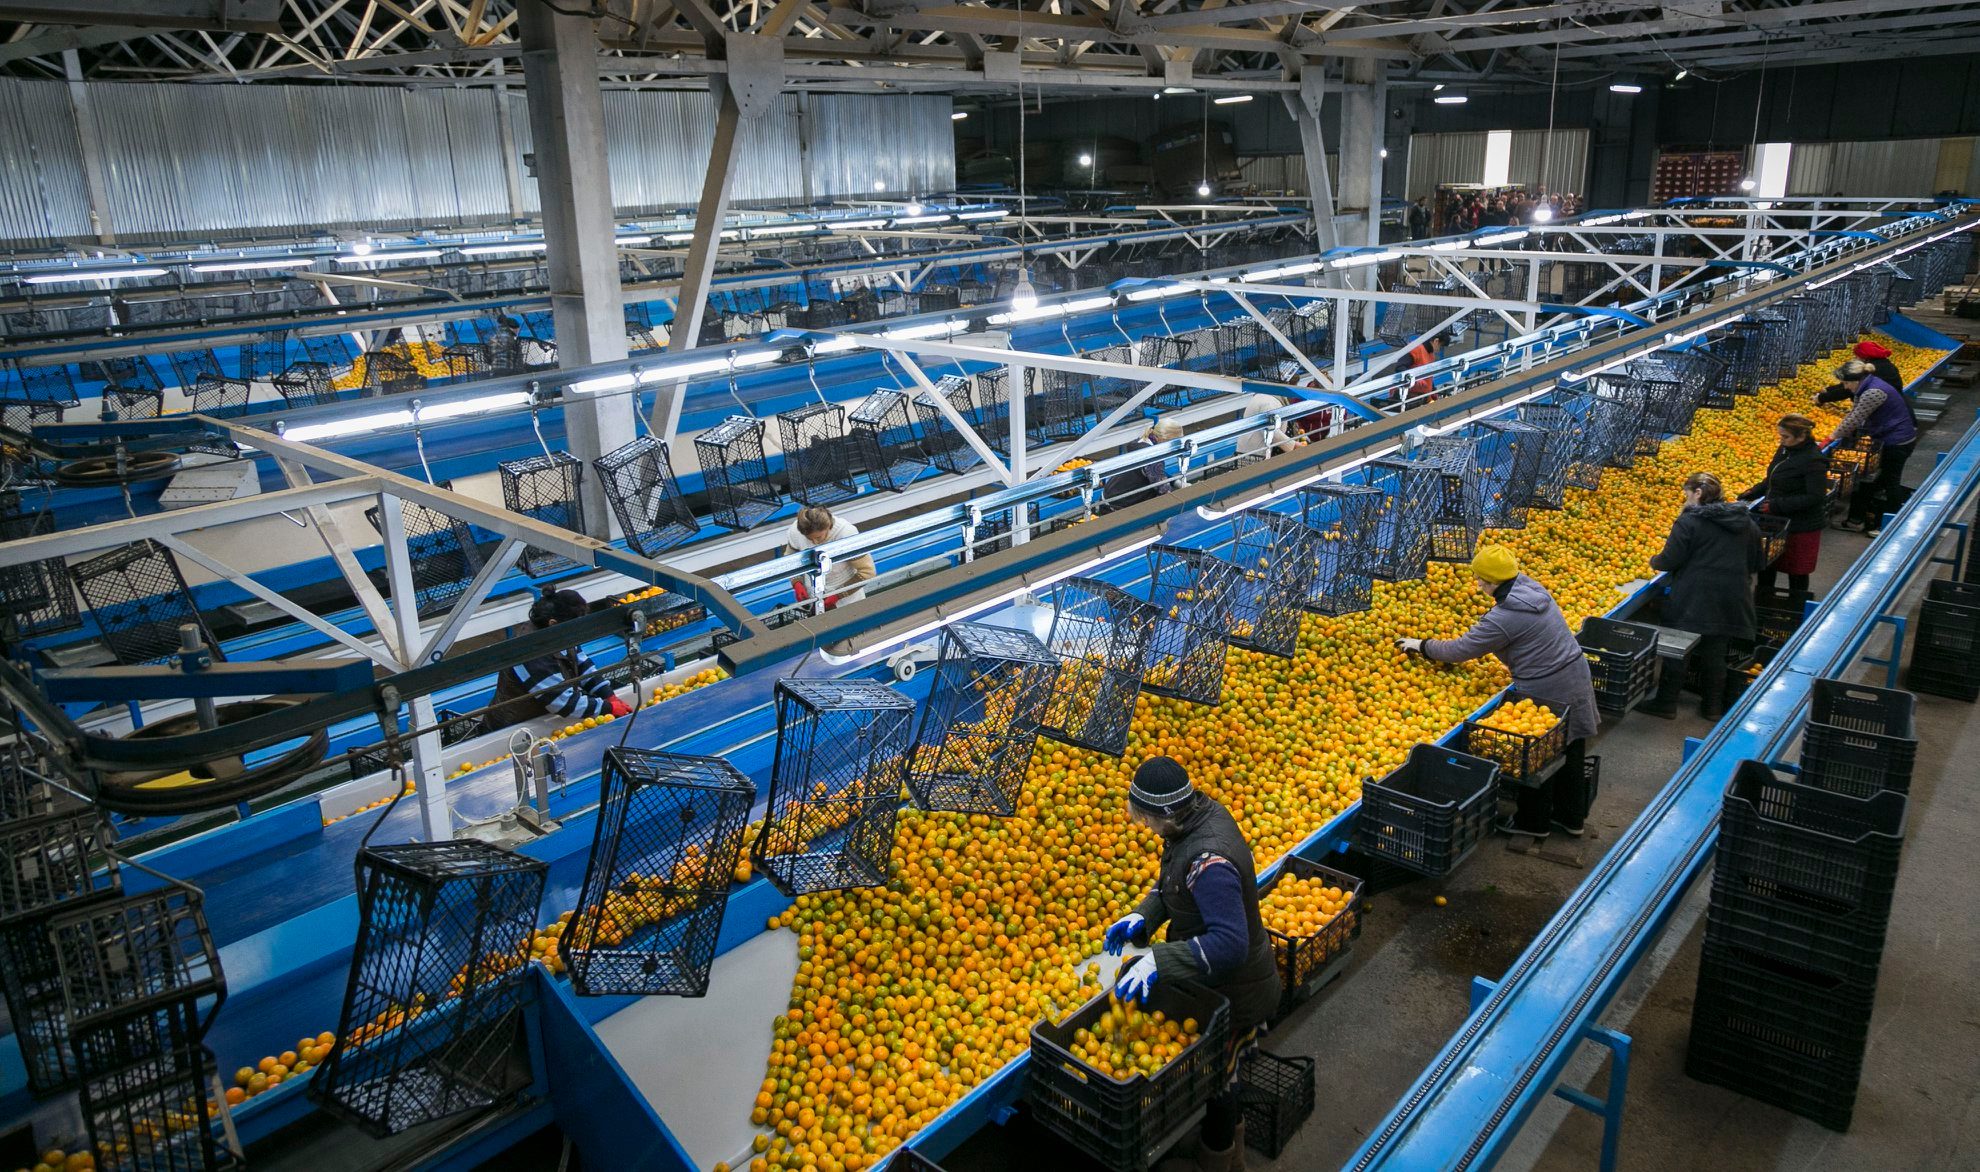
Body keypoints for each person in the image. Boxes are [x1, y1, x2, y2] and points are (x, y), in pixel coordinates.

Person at [1104, 757, 1280, 1171]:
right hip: (1220, 982)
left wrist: (1157, 961)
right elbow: (1176, 883)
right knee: (1224, 1073)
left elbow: (1230, 944)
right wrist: (1143, 916)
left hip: (1235, 989)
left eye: (1146, 820)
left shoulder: (1209, 861)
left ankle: (1217, 1158)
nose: (1146, 828)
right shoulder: (1197, 820)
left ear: (1164, 813)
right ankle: (1227, 1148)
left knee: (1219, 1078)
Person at [1397, 544, 1601, 839]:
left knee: (1538, 757)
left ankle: (1533, 823)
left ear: (1492, 581)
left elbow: (1460, 650)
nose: (1478, 584)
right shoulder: (1531, 588)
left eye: (1481, 579)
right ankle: (1571, 818)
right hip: (1574, 673)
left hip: (1545, 687)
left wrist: (1421, 645)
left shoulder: (1505, 617)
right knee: (1571, 746)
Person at [1640, 472, 1765, 721]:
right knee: (1715, 652)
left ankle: (1666, 703)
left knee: (1679, 648)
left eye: (1687, 494)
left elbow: (1669, 560)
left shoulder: (1689, 522)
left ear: (1697, 493)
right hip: (1731, 598)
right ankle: (1712, 707)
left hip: (1694, 596)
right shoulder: (1746, 522)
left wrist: (1653, 561)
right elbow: (1757, 562)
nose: (1685, 500)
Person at [482, 589, 631, 732]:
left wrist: (609, 696)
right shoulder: (529, 650)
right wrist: (608, 708)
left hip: (544, 720)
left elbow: (583, 665)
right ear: (553, 624)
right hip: (513, 728)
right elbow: (560, 701)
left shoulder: (561, 633)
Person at [1738, 414, 1829, 608]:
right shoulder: (1785, 450)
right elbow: (1772, 478)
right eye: (1780, 436)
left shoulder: (1813, 460)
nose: (1781, 440)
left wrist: (1777, 505)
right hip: (1775, 522)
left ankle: (1795, 610)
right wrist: (1755, 491)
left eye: (1786, 436)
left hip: (1802, 526)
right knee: (1768, 565)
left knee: (1797, 571)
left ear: (1801, 436)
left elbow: (1815, 497)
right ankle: (1764, 608)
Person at [1825, 358, 1919, 536]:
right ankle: (1857, 520)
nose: (1845, 387)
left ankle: (1888, 526)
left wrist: (1831, 437)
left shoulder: (1873, 392)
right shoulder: (1868, 385)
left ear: (1855, 380)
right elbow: (1855, 414)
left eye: (1846, 383)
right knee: (1871, 480)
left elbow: (1854, 418)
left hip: (1897, 442)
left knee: (1890, 482)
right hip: (1891, 437)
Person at [783, 505, 877, 609]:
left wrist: (838, 595)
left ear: (828, 527)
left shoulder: (846, 533)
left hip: (847, 597)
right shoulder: (795, 531)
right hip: (812, 592)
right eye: (809, 538)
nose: (815, 542)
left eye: (818, 537)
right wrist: (797, 582)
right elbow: (790, 559)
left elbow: (868, 572)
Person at [1102, 417, 1185, 511]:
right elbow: (1164, 490)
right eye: (1174, 443)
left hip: (1109, 494)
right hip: (1117, 506)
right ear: (1163, 439)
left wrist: (1175, 481)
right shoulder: (1153, 456)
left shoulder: (1142, 441)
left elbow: (1154, 473)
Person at [1818, 341, 1903, 404]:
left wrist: (1821, 398)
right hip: (1896, 402)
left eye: (1856, 356)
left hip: (1886, 406)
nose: (1855, 359)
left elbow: (1848, 390)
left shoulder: (1872, 369)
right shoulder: (1885, 364)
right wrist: (1828, 390)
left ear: (1864, 357)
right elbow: (1850, 382)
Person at [1234, 392, 1299, 462]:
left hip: (1249, 453)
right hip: (1256, 455)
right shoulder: (1270, 403)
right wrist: (1293, 446)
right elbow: (1271, 431)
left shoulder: (1263, 396)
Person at [1402, 334, 1444, 407]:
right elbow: (1400, 368)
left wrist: (1433, 391)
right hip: (1409, 398)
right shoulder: (1415, 349)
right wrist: (1415, 380)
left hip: (1423, 398)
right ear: (1436, 341)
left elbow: (1429, 377)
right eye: (1441, 346)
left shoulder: (1431, 355)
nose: (1439, 350)